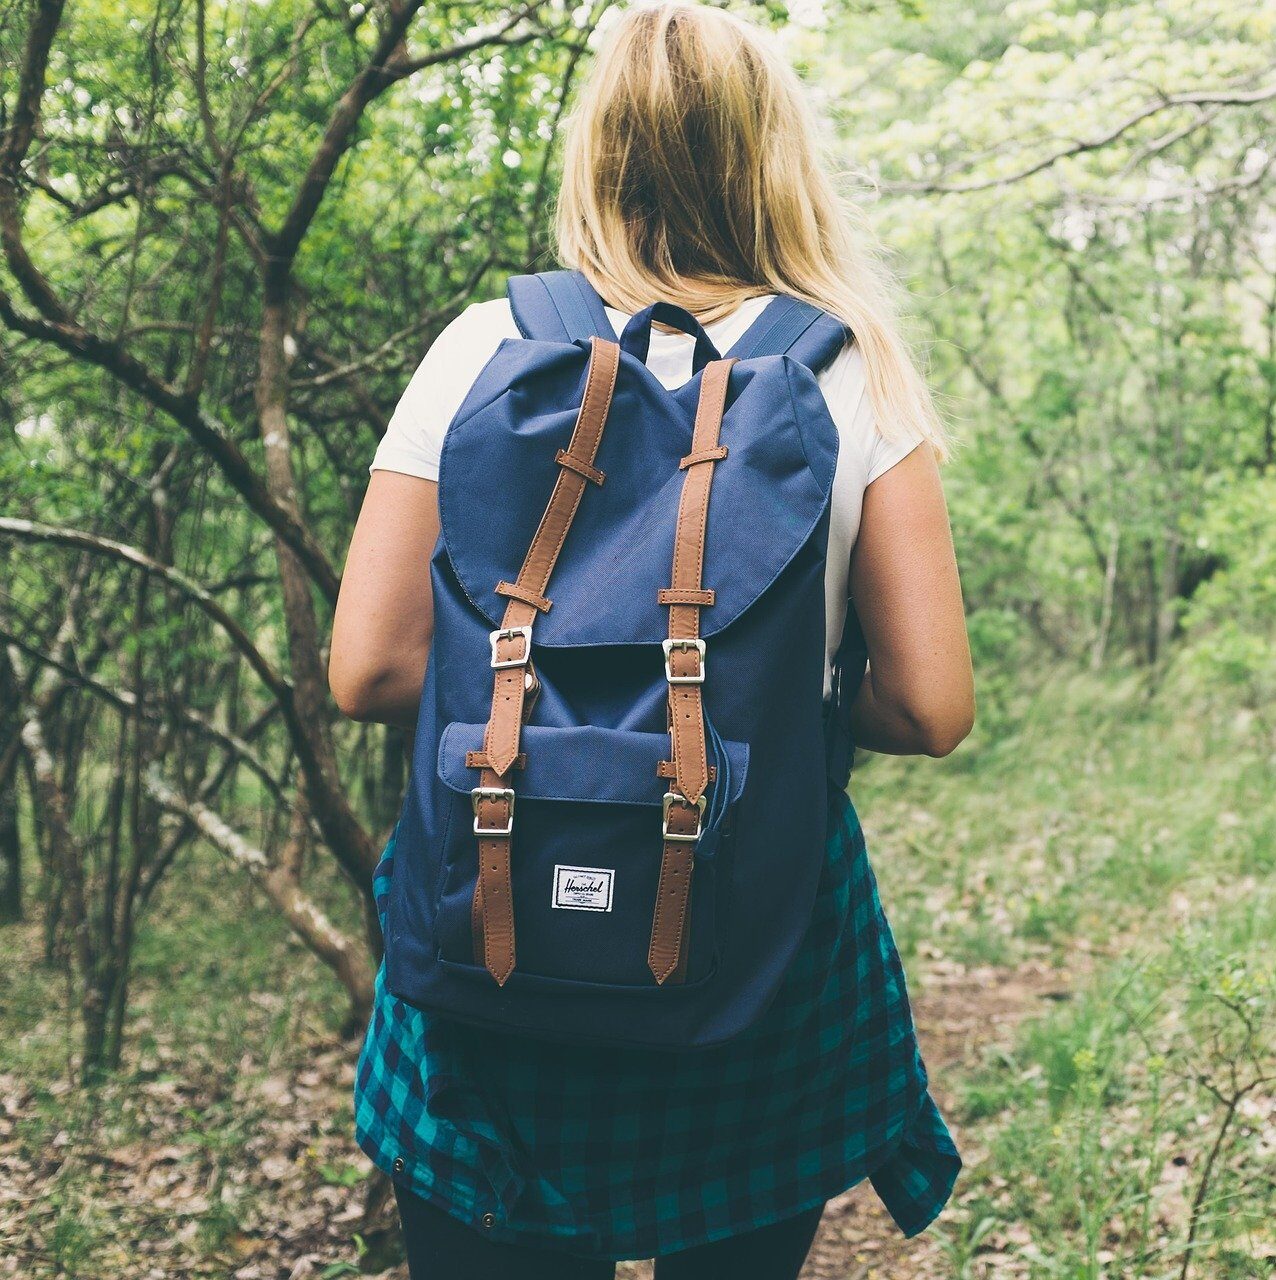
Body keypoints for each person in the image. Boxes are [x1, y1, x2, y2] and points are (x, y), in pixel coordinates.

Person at [329, 5, 975, 1277]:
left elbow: (370, 668)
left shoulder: (485, 348)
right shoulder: (851, 374)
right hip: (752, 941)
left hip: (495, 928)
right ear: (771, 154)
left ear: (600, 153)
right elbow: (931, 707)